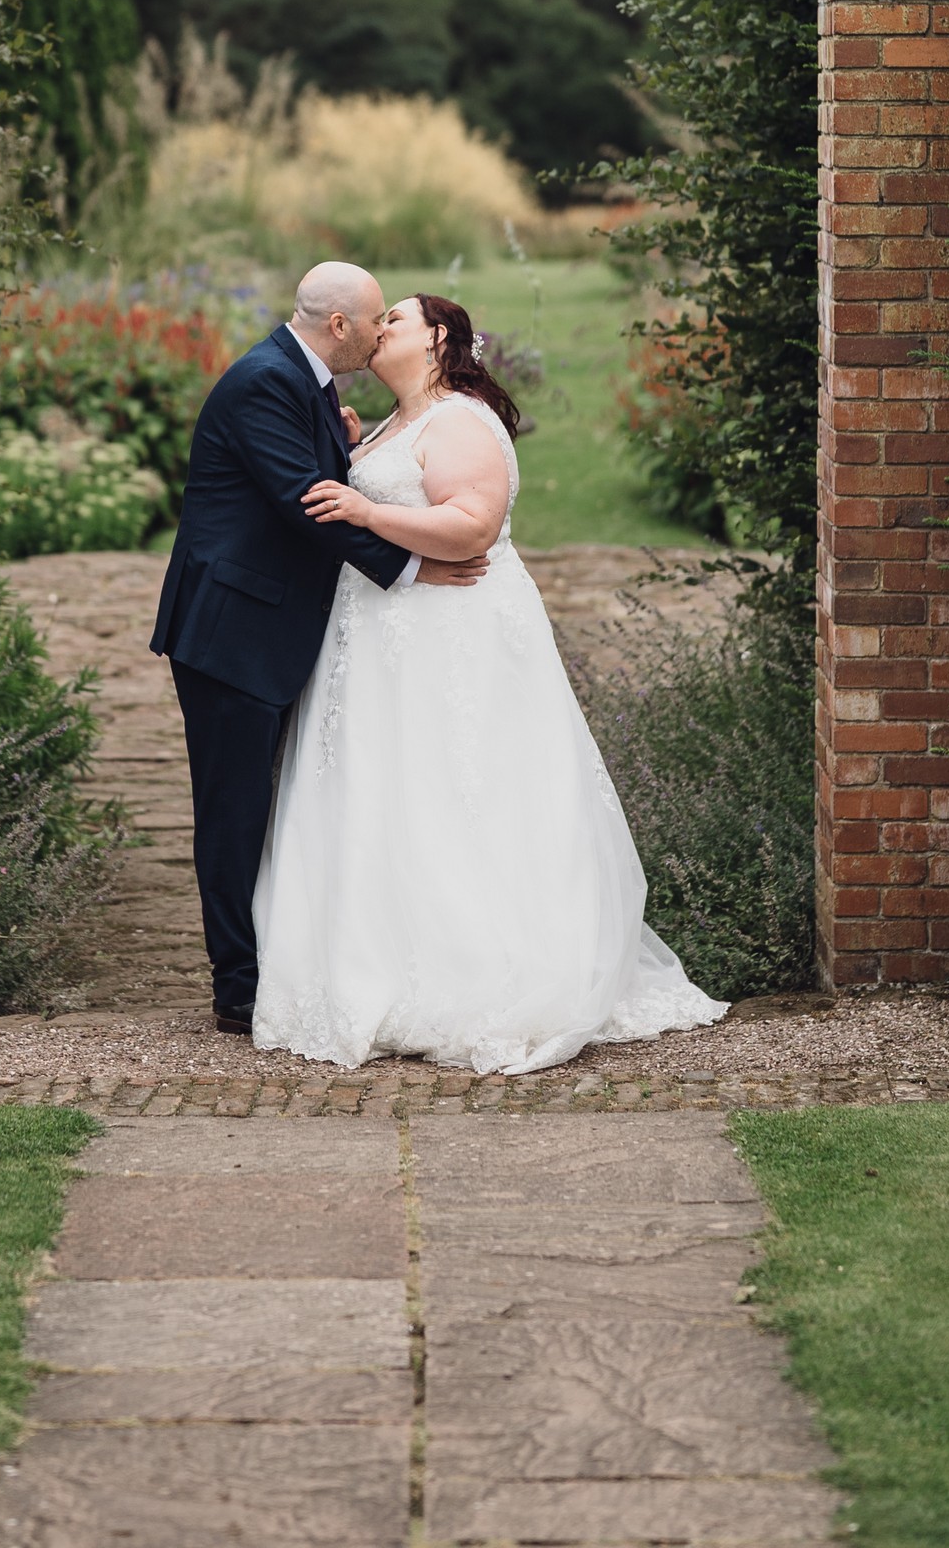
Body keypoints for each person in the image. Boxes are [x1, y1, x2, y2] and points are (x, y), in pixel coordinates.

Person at [250, 291, 727, 1072]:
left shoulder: (463, 418)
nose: (379, 333)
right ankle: (382, 960)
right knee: (390, 794)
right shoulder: (394, 423)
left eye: (395, 320)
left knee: (455, 791)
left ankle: (470, 971)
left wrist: (366, 515)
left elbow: (471, 525)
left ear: (438, 338)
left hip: (449, 639)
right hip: (382, 641)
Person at [151, 263, 488, 1035]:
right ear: (340, 325)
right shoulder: (264, 381)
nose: (377, 339)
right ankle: (238, 987)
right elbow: (307, 506)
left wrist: (344, 448)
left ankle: (275, 961)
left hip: (266, 625)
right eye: (373, 324)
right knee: (234, 813)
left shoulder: (302, 381)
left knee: (268, 807)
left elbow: (312, 477)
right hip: (231, 630)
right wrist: (413, 567)